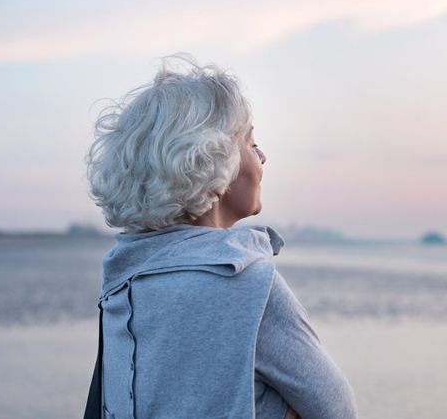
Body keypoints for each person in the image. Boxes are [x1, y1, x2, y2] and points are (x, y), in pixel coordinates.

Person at [85, 55, 358, 419]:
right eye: (251, 142)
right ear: (212, 158)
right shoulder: (249, 285)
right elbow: (337, 409)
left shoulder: (122, 282)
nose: (262, 156)